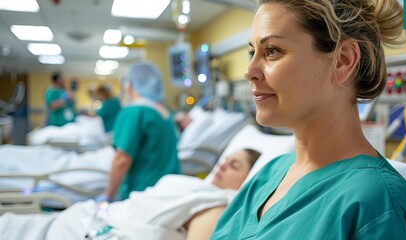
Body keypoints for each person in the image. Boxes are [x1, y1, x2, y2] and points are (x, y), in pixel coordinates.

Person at [211, 1, 406, 239]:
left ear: (343, 60)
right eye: (252, 52)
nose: (248, 71)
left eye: (272, 50)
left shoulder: (378, 206)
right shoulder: (268, 174)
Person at [0, 149, 261, 240]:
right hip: (86, 218)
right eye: (226, 159)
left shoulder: (214, 203)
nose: (223, 165)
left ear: (246, 182)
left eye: (235, 166)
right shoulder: (189, 183)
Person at [98, 61, 182, 202]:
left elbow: (121, 160)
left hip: (142, 195)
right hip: (170, 192)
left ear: (129, 85)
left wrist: (107, 195)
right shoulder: (164, 114)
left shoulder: (133, 112)